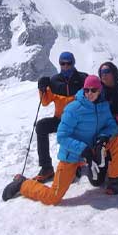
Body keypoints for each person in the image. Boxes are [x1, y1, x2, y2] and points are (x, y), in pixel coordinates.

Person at [3, 75, 118, 203]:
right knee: (53, 197)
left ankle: (116, 182)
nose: (89, 93)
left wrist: (103, 139)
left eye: (93, 90)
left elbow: (111, 126)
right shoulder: (73, 109)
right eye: (86, 90)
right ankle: (23, 184)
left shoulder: (103, 106)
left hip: (93, 149)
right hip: (72, 154)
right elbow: (62, 136)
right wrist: (82, 149)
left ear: (99, 90)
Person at [33, 52, 87, 183]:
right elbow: (45, 102)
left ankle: (76, 164)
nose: (66, 66)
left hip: (78, 121)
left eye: (69, 63)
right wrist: (42, 88)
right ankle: (46, 168)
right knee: (41, 126)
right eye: (63, 63)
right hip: (60, 120)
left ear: (73, 63)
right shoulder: (54, 81)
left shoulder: (83, 79)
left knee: (77, 132)